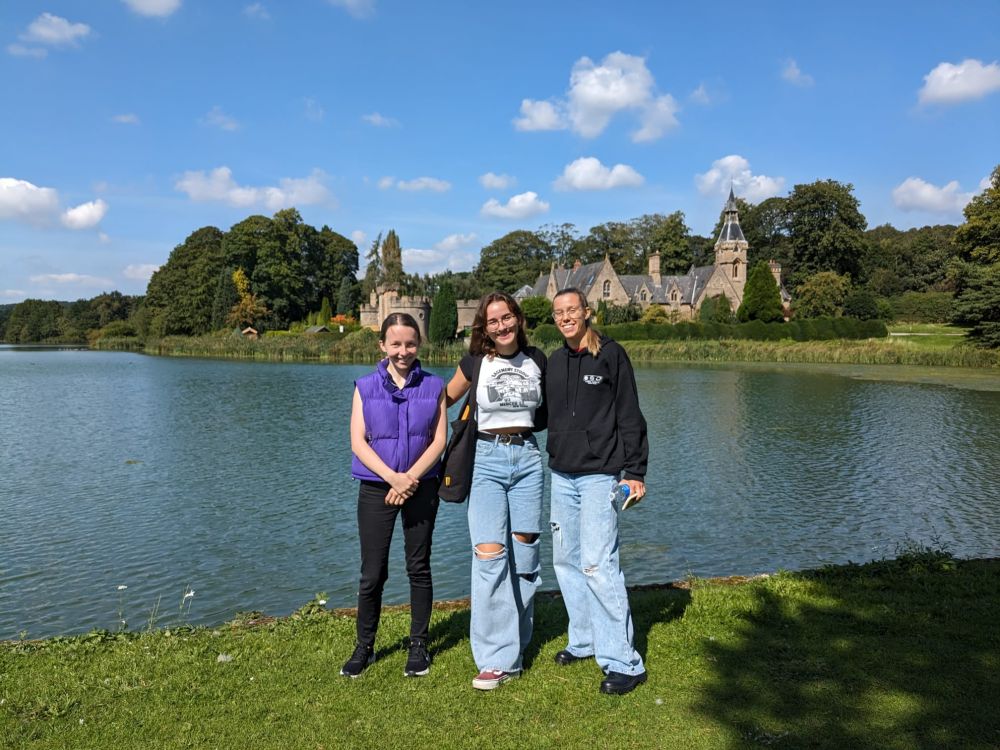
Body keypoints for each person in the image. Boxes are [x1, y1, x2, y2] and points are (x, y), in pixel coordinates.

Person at [545, 287, 649, 695]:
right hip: (561, 474)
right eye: (559, 312)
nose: (566, 317)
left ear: (587, 312)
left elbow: (629, 413)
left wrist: (635, 470)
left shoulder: (610, 354)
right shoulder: (554, 362)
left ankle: (624, 661)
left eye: (573, 310)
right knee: (567, 561)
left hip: (599, 475)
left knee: (598, 563)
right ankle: (584, 640)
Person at [445, 291, 547, 690]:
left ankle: (517, 640)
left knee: (524, 553)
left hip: (526, 458)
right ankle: (496, 659)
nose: (502, 326)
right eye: (493, 321)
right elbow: (441, 400)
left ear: (518, 319)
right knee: (489, 555)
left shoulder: (537, 360)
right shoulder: (475, 362)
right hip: (485, 459)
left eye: (507, 318)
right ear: (484, 328)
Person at [341, 313, 448, 679]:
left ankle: (418, 646)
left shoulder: (435, 386)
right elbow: (358, 441)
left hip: (421, 487)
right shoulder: (364, 386)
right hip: (376, 487)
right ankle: (364, 647)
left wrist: (410, 479)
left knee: (418, 567)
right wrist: (391, 478)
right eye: (396, 344)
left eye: (411, 343)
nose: (404, 351)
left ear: (419, 344)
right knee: (372, 573)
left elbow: (439, 440)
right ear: (382, 346)